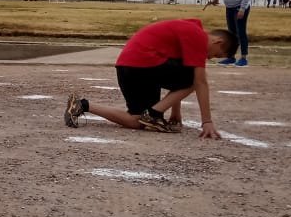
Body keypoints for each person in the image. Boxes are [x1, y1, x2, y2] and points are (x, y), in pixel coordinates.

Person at [63, 18, 237, 139]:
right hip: (142, 64)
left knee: (137, 121)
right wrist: (206, 121)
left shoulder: (189, 32)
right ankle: (153, 114)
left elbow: (179, 76)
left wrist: (176, 113)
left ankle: (83, 105)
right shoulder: (198, 36)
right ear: (218, 42)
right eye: (216, 55)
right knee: (196, 78)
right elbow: (199, 82)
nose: (209, 58)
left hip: (129, 66)